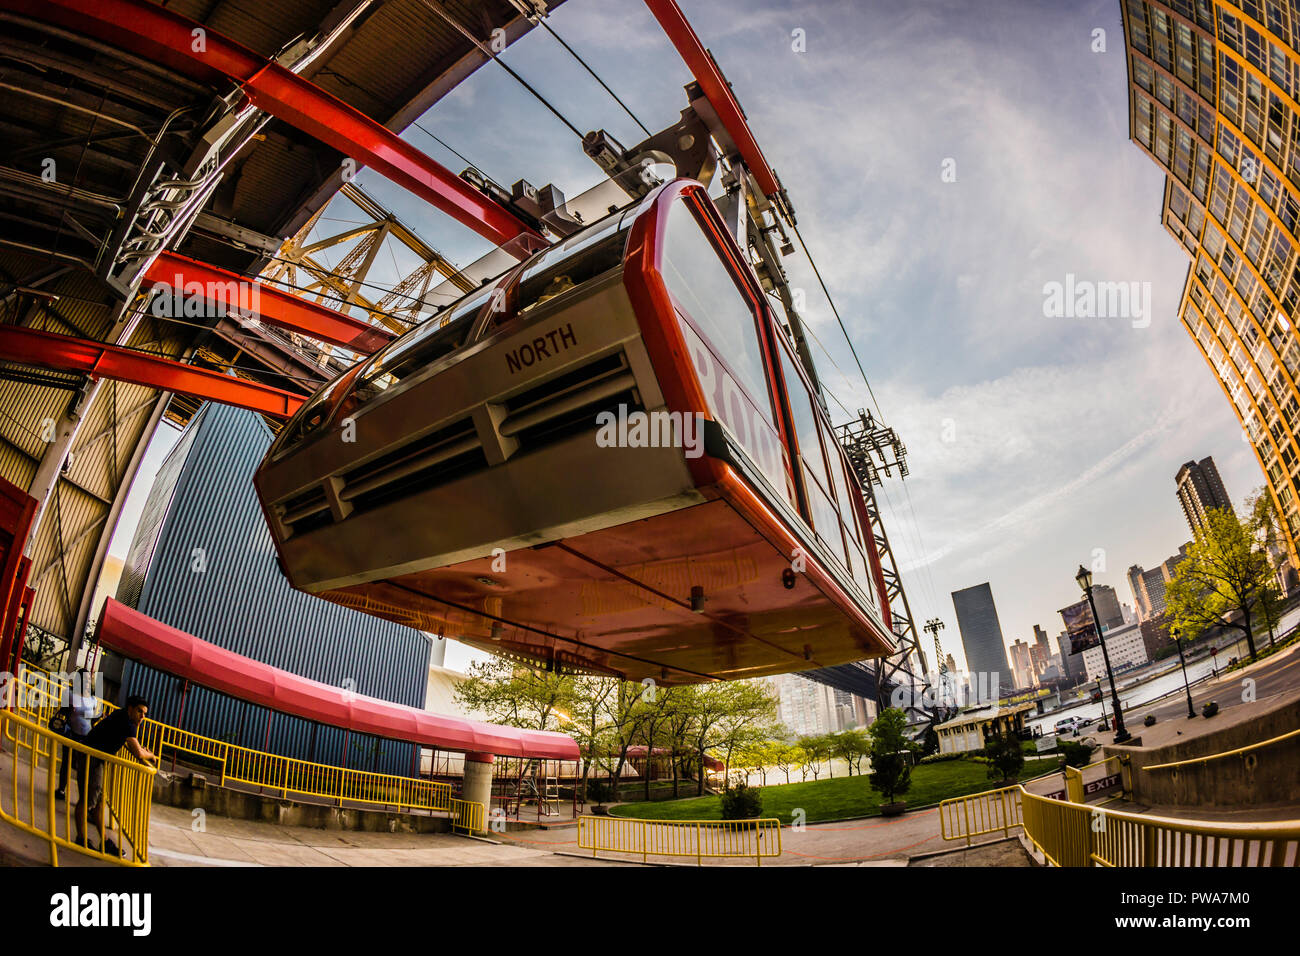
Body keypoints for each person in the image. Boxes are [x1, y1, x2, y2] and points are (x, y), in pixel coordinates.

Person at [73, 695, 159, 858]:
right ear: (131, 709)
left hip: (94, 758)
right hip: (91, 758)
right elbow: (138, 753)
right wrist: (151, 756)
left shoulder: (122, 717)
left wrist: (143, 751)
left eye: (145, 714)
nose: (143, 717)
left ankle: (104, 841)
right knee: (87, 801)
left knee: (98, 802)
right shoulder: (127, 723)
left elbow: (134, 745)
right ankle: (81, 839)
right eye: (140, 711)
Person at [54, 669, 98, 800]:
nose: (87, 682)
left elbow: (93, 718)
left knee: (83, 768)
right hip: (71, 733)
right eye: (85, 679)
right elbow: (62, 710)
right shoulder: (70, 694)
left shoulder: (93, 699)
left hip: (86, 737)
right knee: (66, 762)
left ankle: (83, 797)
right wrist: (68, 709)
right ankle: (61, 789)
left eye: (89, 680)